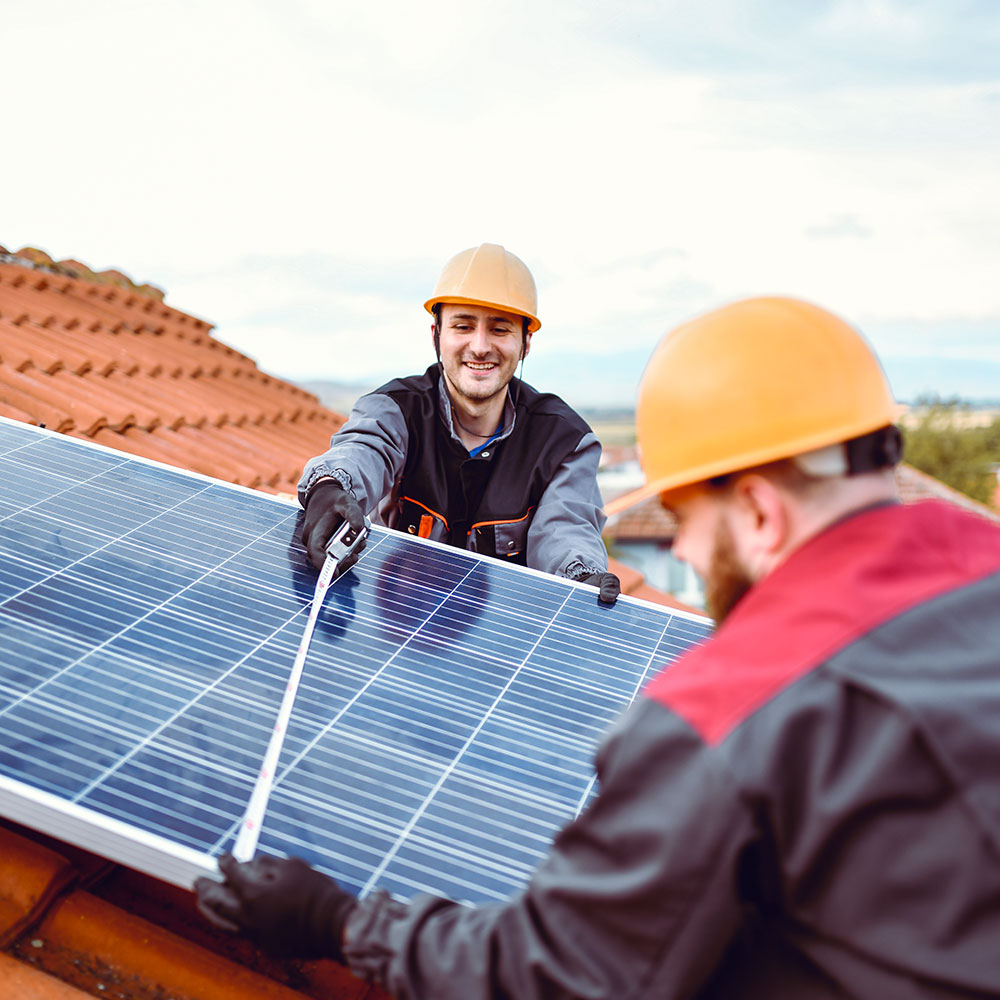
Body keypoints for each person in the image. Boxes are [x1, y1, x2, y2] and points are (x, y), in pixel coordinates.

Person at [196, 296, 1000, 997]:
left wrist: (337, 922)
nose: (682, 556)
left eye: (687, 523)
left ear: (759, 514)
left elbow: (557, 970)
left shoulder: (721, 720)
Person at [297, 242, 619, 604]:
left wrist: (579, 574)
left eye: (500, 329)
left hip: (503, 644)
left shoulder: (564, 442)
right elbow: (363, 449)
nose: (480, 346)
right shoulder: (395, 410)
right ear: (436, 335)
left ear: (526, 342)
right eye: (463, 326)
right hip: (395, 623)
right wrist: (329, 485)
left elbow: (567, 525)